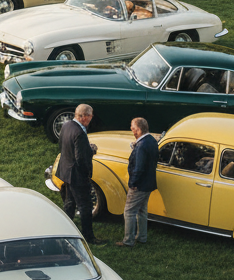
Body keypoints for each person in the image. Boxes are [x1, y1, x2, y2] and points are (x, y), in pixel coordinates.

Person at [58, 104, 105, 246]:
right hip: (77, 176)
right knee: (85, 206)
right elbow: (81, 159)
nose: (91, 119)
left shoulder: (67, 126)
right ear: (84, 117)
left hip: (66, 171)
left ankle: (64, 230)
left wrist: (86, 149)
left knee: (70, 203)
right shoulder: (79, 132)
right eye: (90, 116)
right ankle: (88, 236)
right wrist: (90, 152)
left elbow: (62, 145)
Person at [116, 118, 159, 248]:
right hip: (149, 183)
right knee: (142, 210)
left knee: (129, 211)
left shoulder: (141, 146)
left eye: (133, 128)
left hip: (139, 185)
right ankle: (142, 237)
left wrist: (132, 183)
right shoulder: (152, 140)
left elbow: (139, 168)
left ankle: (128, 241)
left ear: (139, 130)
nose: (131, 130)